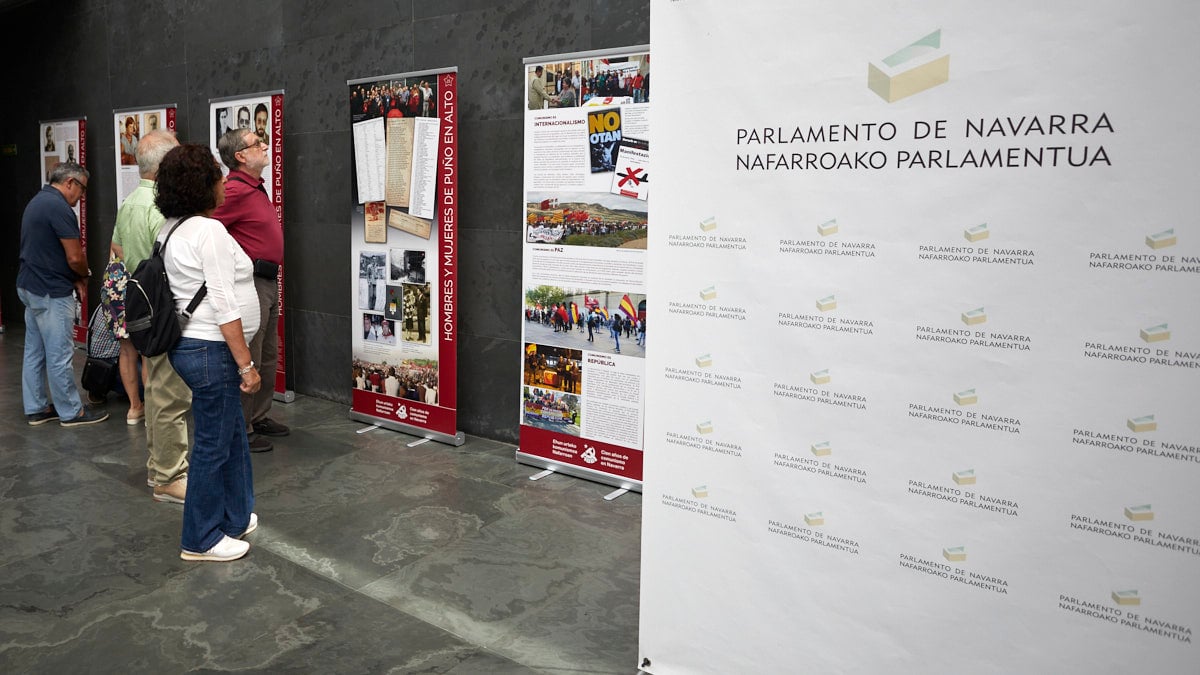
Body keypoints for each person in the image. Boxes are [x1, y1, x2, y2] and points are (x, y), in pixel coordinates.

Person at [156, 143, 261, 562]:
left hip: (190, 347)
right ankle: (199, 539)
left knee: (231, 435)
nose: (224, 185)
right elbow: (223, 302)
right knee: (213, 445)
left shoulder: (170, 228)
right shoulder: (209, 231)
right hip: (212, 350)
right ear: (204, 185)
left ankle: (234, 517)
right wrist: (246, 365)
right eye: (218, 177)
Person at [111, 129, 193, 504]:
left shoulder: (129, 202)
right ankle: (169, 476)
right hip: (164, 310)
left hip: (143, 305)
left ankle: (158, 468)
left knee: (158, 391)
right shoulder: (160, 208)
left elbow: (117, 248)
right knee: (170, 396)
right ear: (164, 167)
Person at [18, 162, 110, 427]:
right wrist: (84, 275)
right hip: (51, 291)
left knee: (34, 351)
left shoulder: (38, 200)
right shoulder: (59, 208)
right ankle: (71, 412)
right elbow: (74, 257)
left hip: (30, 287)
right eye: (82, 189)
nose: (81, 196)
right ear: (70, 182)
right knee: (59, 354)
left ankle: (36, 408)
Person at [212, 129, 288, 452]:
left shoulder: (255, 187)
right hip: (251, 282)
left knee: (268, 354)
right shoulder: (233, 190)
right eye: (257, 143)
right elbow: (208, 226)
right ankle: (241, 427)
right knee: (251, 356)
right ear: (240, 156)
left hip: (268, 281)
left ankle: (258, 416)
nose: (264, 146)